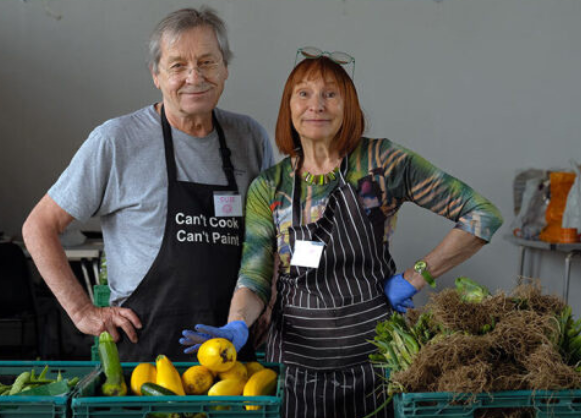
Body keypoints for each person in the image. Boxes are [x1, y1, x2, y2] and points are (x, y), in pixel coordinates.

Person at [180, 55, 502, 418]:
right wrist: (238, 322)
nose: (316, 105)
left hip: (377, 363)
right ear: (288, 107)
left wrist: (415, 277)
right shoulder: (270, 187)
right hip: (295, 373)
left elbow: (482, 215)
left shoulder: (381, 164)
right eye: (304, 93)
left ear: (348, 107)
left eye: (330, 94)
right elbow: (254, 276)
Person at [22, 6, 274, 361]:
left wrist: (267, 303)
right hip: (146, 355)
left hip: (230, 353)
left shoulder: (250, 138)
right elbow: (38, 226)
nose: (194, 77)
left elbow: (269, 237)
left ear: (225, 68)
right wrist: (82, 312)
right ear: (156, 75)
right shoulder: (116, 141)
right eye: (177, 66)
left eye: (207, 62)